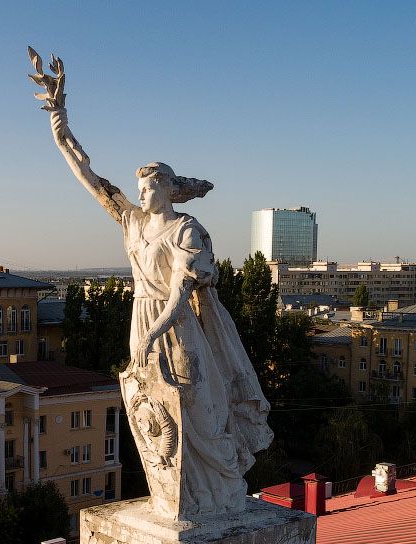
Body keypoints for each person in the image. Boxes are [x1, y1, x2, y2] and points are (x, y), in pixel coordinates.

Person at [29, 50, 272, 519]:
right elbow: (87, 173)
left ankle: (218, 488)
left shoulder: (186, 229)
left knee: (199, 403)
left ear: (166, 188)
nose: (139, 192)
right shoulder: (132, 221)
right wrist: (60, 123)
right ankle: (174, 495)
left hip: (175, 324)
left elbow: (182, 291)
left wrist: (156, 331)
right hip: (142, 316)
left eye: (147, 186)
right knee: (150, 407)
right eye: (137, 188)